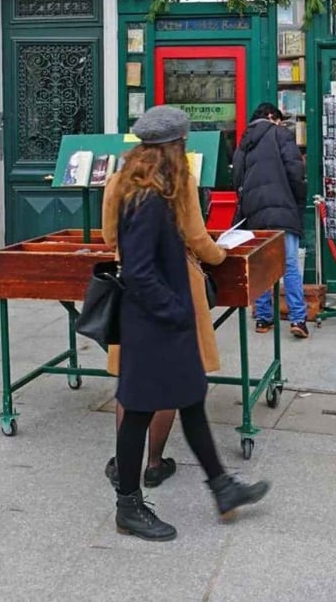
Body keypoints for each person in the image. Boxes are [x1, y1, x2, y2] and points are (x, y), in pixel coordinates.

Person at [106, 105, 269, 541]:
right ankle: (128, 506)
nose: (185, 150)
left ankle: (223, 488)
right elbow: (139, 271)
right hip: (153, 322)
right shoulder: (146, 198)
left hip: (161, 320)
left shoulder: (149, 188)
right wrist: (174, 311)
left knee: (191, 399)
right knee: (138, 411)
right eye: (182, 144)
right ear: (170, 149)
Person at [101, 126, 228, 491]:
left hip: (129, 292)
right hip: (171, 286)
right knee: (173, 383)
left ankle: (128, 470)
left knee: (133, 385)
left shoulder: (117, 180)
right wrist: (220, 255)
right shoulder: (176, 183)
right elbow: (195, 235)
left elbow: (110, 237)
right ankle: (153, 464)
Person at [232, 102, 309, 338]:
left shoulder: (244, 141)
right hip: (282, 210)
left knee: (261, 266)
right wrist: (298, 204)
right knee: (289, 266)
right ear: (271, 117)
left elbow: (237, 179)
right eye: (279, 119)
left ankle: (264, 318)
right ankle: (298, 319)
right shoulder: (280, 134)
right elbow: (296, 172)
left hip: (254, 213)